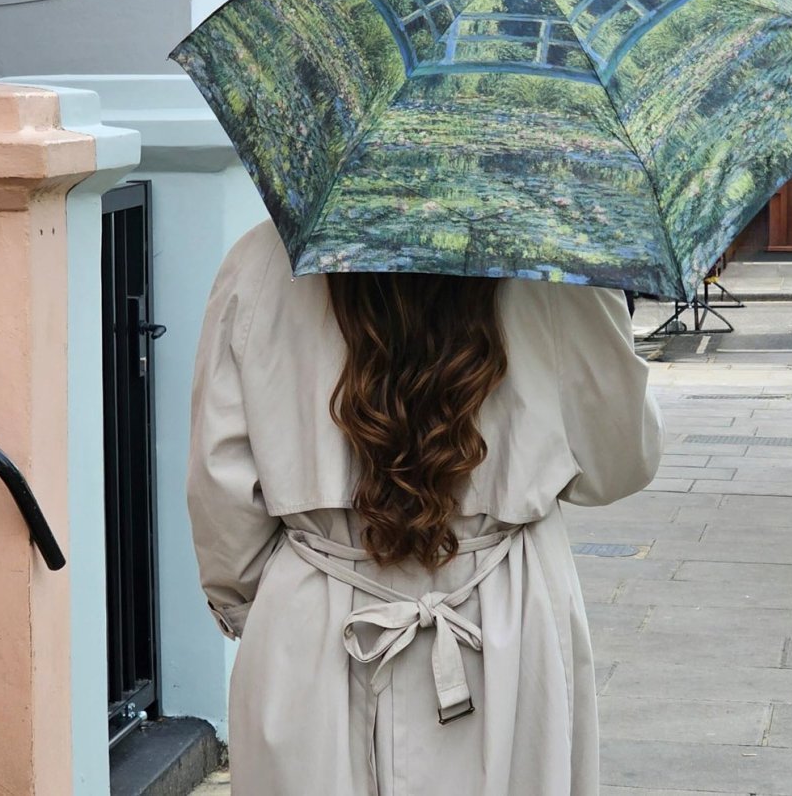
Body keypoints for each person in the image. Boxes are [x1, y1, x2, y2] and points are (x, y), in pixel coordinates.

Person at [187, 220, 664, 796]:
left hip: (316, 618)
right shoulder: (561, 257)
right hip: (505, 616)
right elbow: (617, 465)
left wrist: (259, 613)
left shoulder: (265, 257)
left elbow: (222, 486)